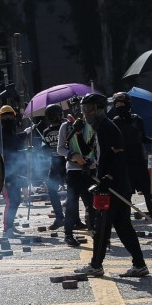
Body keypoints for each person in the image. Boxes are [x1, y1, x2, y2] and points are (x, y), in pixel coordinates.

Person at [73, 93, 150, 279]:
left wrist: (108, 176)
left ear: (100, 109)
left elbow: (119, 155)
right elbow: (87, 151)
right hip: (113, 185)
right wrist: (78, 133)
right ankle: (139, 265)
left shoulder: (108, 127)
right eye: (83, 110)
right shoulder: (99, 129)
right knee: (123, 227)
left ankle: (96, 266)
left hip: (113, 187)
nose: (86, 113)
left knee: (101, 227)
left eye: (89, 109)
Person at [109, 92, 152, 231]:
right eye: (116, 104)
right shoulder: (115, 121)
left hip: (139, 162)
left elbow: (143, 139)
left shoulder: (137, 119)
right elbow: (112, 142)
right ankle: (125, 225)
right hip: (124, 164)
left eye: (121, 104)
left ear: (128, 104)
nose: (118, 106)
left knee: (149, 193)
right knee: (126, 195)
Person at [58, 96, 96, 247]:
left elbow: (97, 147)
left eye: (80, 107)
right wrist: (73, 156)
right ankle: (68, 234)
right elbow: (60, 148)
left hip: (90, 169)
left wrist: (91, 160)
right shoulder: (65, 127)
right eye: (73, 107)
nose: (77, 110)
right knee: (72, 204)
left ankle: (95, 231)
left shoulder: (92, 125)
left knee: (92, 204)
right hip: (73, 171)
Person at [34, 104, 66, 229]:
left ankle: (69, 218)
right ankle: (61, 218)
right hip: (59, 163)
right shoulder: (60, 129)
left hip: (62, 163)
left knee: (73, 191)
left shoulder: (52, 130)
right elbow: (46, 149)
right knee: (55, 190)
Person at [0, 105, 25, 235]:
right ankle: (7, 228)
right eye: (6, 115)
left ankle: (11, 224)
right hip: (5, 172)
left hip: (14, 171)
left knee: (17, 199)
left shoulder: (11, 131)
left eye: (11, 115)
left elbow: (15, 147)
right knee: (10, 201)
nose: (9, 118)